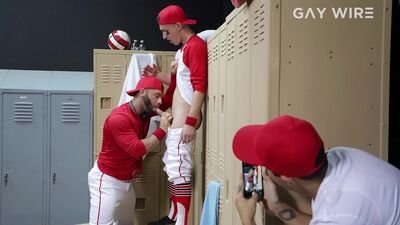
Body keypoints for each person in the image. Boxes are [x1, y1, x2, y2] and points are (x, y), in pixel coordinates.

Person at [232, 115, 400, 225]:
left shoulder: (340, 209)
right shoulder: (339, 155)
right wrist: (278, 208)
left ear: (287, 178)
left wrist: (247, 219)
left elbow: (337, 217)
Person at [144, 4, 208, 225]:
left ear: (179, 25)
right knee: (173, 167)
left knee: (179, 170)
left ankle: (181, 221)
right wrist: (159, 76)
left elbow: (200, 86)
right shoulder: (182, 51)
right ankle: (173, 216)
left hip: (185, 121)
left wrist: (190, 121)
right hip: (178, 120)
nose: (164, 36)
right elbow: (181, 85)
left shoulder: (195, 46)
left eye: (166, 31)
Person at [88, 76, 174, 225]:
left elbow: (169, 99)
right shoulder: (119, 118)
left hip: (126, 182)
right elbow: (137, 150)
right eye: (157, 95)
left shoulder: (145, 112)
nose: (160, 101)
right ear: (142, 92)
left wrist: (173, 75)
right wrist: (162, 129)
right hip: (107, 180)